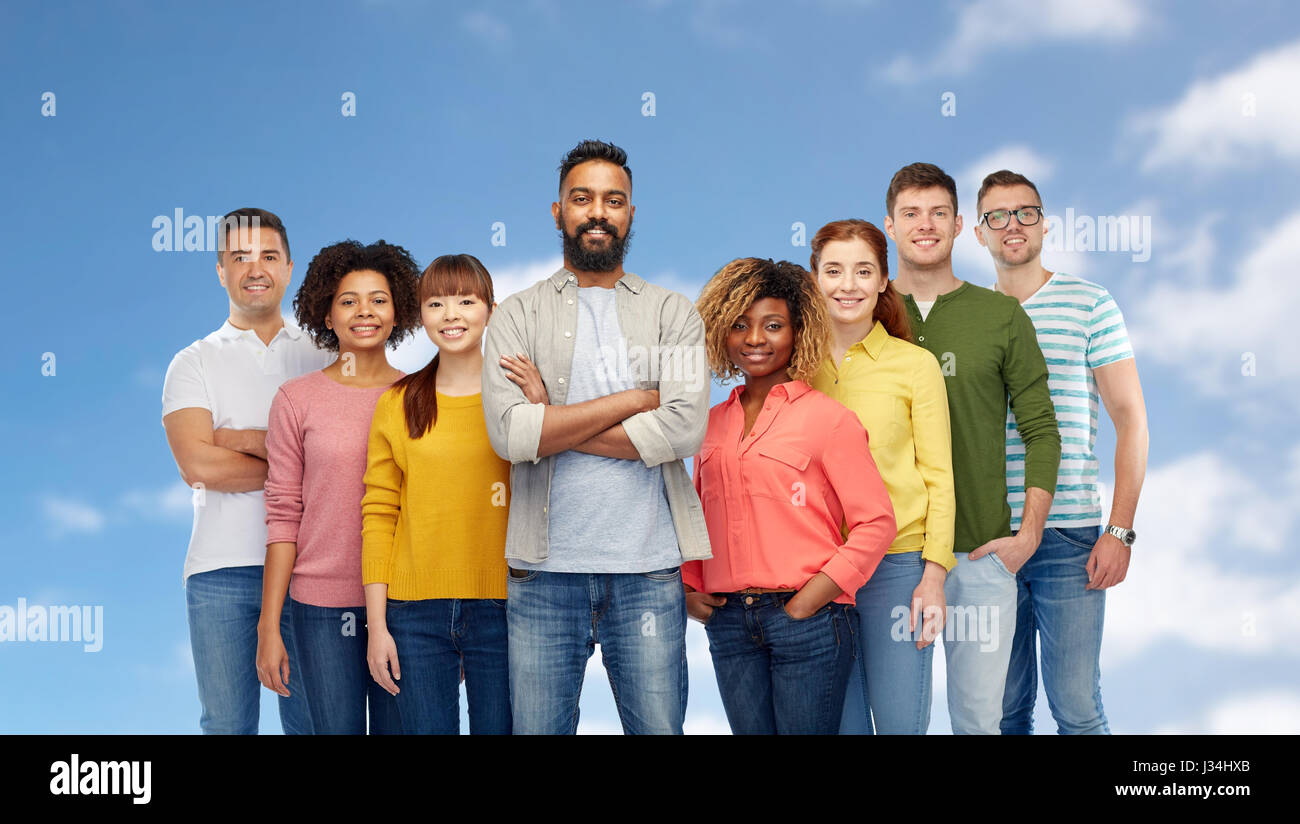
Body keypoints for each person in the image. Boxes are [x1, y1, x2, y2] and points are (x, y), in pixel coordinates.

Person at [481, 139, 711, 735]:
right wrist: (637, 400)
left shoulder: (673, 313)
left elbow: (684, 427)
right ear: (558, 211)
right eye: (581, 198)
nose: (597, 211)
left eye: (614, 200)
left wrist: (553, 416)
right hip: (543, 575)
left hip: (649, 573)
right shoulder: (516, 315)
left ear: (631, 213)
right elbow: (512, 435)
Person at [883, 162, 1061, 734]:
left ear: (960, 225)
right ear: (890, 225)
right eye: (911, 213)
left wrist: (1028, 534)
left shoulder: (1001, 316)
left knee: (981, 724)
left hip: (981, 555)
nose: (925, 224)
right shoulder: (864, 313)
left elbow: (1041, 429)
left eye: (938, 212)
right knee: (892, 724)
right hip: (886, 556)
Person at [685, 257, 896, 734]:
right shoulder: (708, 425)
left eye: (773, 325)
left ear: (798, 330)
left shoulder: (829, 420)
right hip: (729, 625)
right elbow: (695, 513)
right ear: (723, 332)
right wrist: (688, 586)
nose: (755, 338)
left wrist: (811, 599)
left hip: (810, 621)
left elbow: (877, 522)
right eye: (740, 325)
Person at [973, 170, 1149, 734]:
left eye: (1025, 212)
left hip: (1072, 536)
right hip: (987, 539)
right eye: (997, 216)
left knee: (1075, 706)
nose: (1012, 225)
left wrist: (1119, 531)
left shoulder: (1089, 303)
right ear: (979, 233)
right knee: (1002, 710)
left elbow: (1132, 421)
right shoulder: (970, 314)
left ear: (1044, 224)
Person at [162, 208, 330, 734]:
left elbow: (345, 458)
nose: (255, 268)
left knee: (315, 723)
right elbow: (198, 463)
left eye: (268, 256)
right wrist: (299, 460)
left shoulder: (324, 355)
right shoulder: (191, 362)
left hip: (313, 568)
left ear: (288, 267)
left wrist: (240, 439)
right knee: (228, 726)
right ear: (220, 270)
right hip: (221, 571)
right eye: (240, 257)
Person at [256, 239, 420, 734]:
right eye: (348, 301)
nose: (364, 311)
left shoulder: (421, 396)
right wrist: (270, 625)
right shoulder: (296, 400)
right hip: (321, 609)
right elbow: (284, 513)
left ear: (398, 313)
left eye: (378, 299)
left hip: (407, 604)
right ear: (326, 315)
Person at [807, 219, 956, 735]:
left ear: (883, 281)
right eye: (834, 270)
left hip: (897, 568)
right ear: (814, 279)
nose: (848, 284)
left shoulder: (915, 366)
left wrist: (933, 575)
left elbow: (940, 476)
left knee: (898, 724)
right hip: (819, 572)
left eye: (863, 271)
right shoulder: (793, 368)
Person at [361, 254, 516, 735]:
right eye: (436, 303)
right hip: (414, 612)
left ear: (492, 308)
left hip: (506, 606)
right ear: (421, 314)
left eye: (466, 301)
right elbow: (379, 513)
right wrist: (377, 625)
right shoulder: (397, 403)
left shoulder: (519, 397)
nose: (451, 315)